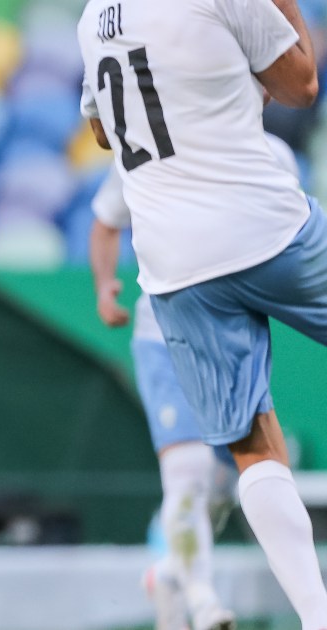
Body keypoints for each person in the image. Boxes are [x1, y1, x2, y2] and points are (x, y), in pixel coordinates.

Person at [77, 0, 327, 627]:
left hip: (175, 265)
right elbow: (301, 86)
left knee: (253, 449)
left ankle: (317, 616)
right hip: (264, 227)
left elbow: (103, 131)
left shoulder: (91, 17)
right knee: (199, 474)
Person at [89, 165, 254, 630]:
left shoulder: (266, 155)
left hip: (231, 342)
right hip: (162, 335)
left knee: (225, 483)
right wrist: (104, 286)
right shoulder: (139, 143)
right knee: (187, 474)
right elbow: (105, 220)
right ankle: (202, 599)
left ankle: (168, 571)